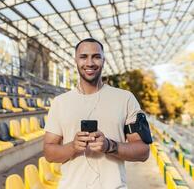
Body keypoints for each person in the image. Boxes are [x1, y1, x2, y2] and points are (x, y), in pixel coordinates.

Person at [44, 38, 151, 189]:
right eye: (83, 57)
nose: (89, 63)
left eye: (96, 56)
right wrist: (73, 147)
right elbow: (49, 153)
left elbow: (143, 151)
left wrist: (109, 146)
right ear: (76, 59)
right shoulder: (60, 102)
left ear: (104, 60)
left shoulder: (125, 98)